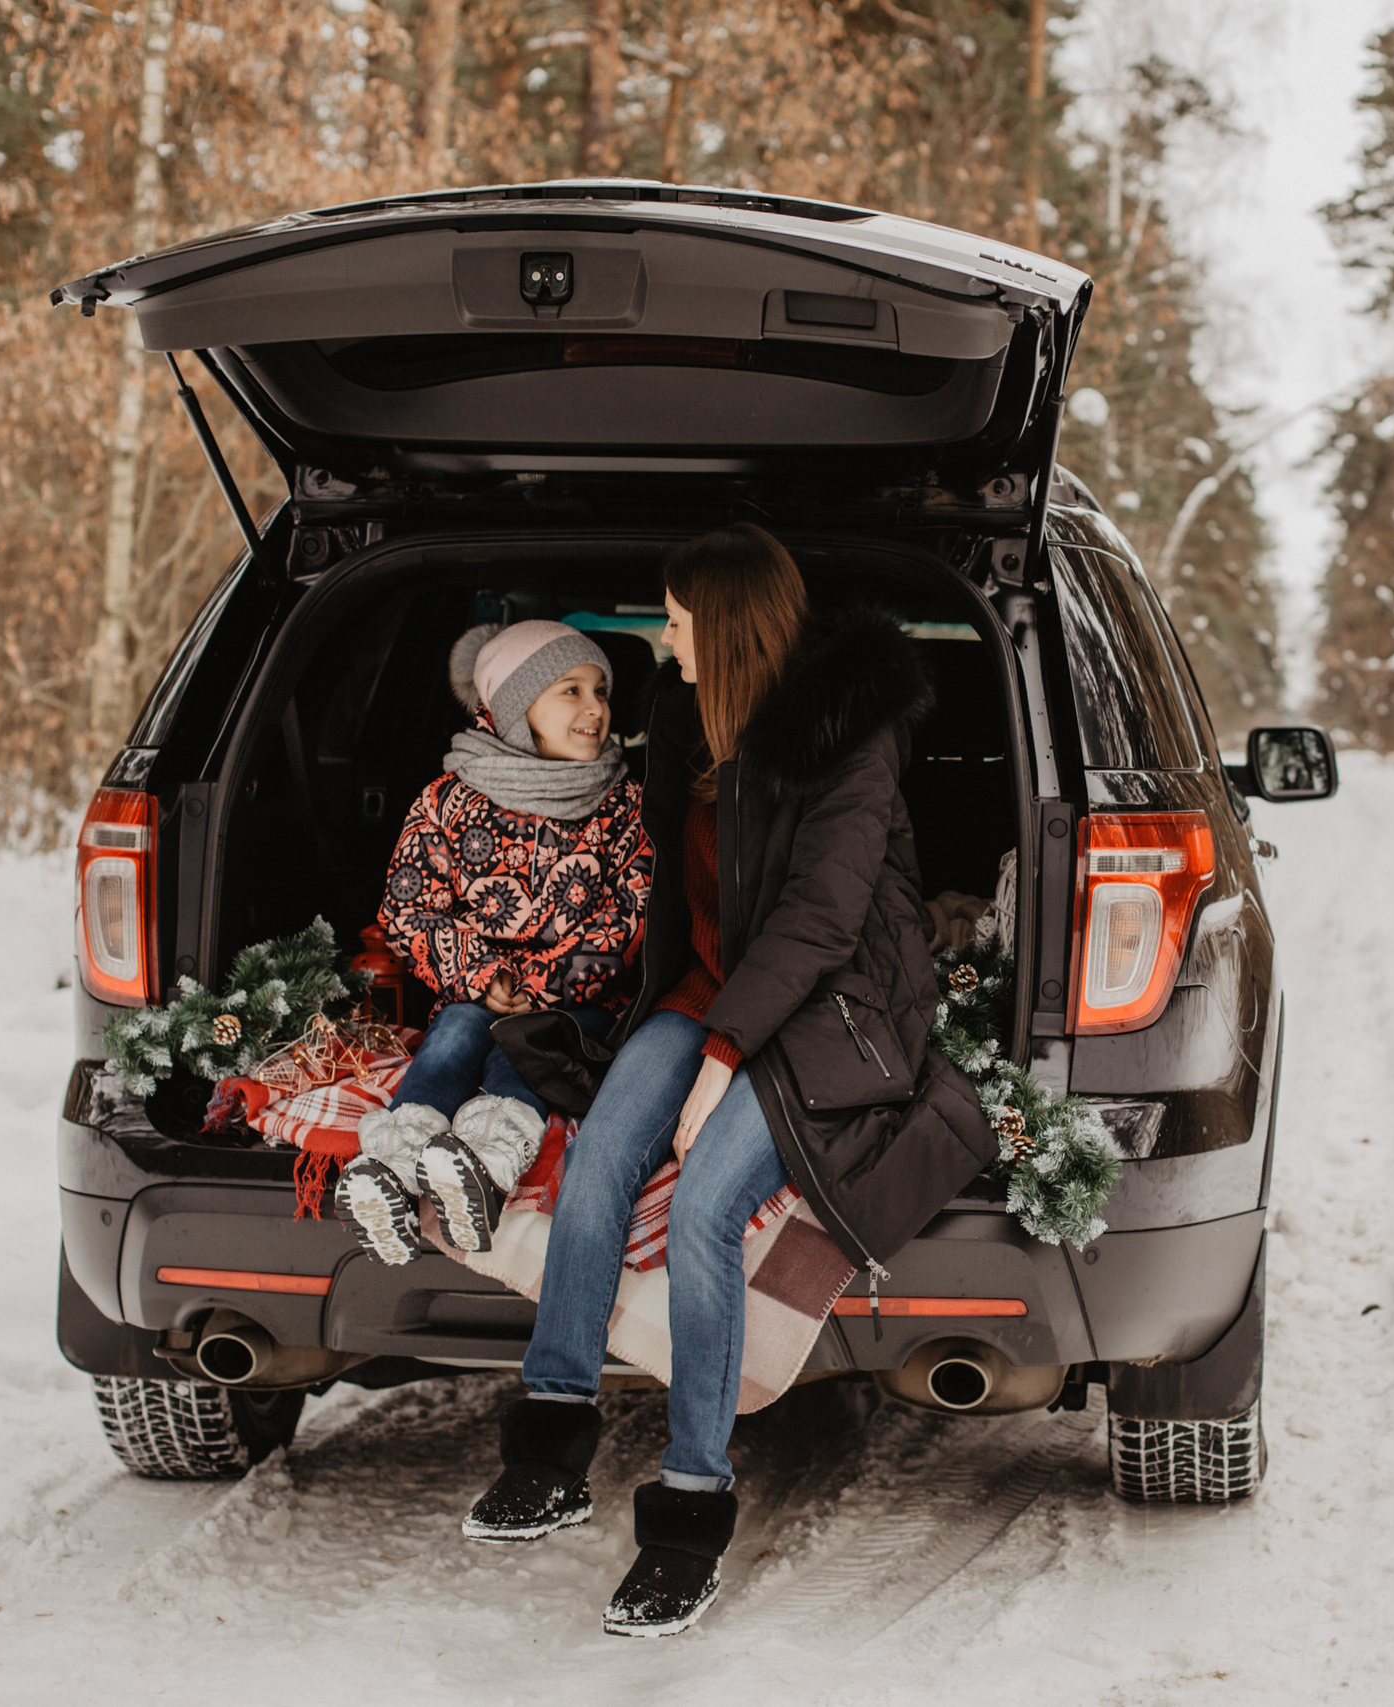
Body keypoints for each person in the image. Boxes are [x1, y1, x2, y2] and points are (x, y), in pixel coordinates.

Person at [461, 525, 994, 1639]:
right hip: (708, 990)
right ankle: (554, 1439)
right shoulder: (678, 714)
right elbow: (644, 873)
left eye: (677, 618)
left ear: (730, 626)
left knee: (704, 1204)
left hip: (829, 1011)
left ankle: (690, 1511)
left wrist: (717, 1065)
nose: (663, 637)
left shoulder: (849, 737)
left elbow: (816, 925)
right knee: (605, 1153)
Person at [337, 619, 651, 1266]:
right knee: (454, 1033)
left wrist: (539, 987)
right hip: (475, 988)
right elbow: (407, 905)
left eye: (602, 690)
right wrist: (482, 976)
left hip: (574, 1001)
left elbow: (628, 913)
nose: (597, 708)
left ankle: (481, 1169)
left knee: (527, 1047)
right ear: (515, 706)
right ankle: (390, 1173)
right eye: (571, 690)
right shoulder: (448, 802)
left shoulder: (622, 805)